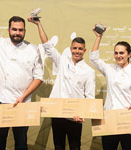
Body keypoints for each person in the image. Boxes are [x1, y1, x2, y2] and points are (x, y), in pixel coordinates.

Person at [28, 17, 95, 150]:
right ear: (70, 49)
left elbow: (90, 97)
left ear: (84, 51)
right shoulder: (63, 61)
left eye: (80, 49)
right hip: (57, 113)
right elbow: (47, 45)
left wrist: (82, 114)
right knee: (58, 146)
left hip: (75, 117)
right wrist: (38, 24)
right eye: (75, 48)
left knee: (75, 147)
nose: (77, 51)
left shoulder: (89, 71)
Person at [89, 24, 131, 150]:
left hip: (130, 121)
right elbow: (93, 59)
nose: (118, 56)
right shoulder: (110, 69)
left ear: (129, 54)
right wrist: (98, 37)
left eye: (122, 53)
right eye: (116, 53)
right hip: (110, 119)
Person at [0, 16, 44, 150]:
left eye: (20, 30)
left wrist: (22, 97)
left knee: (21, 144)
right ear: (8, 30)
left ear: (25, 31)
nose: (17, 33)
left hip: (22, 104)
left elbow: (39, 77)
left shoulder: (33, 49)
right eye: (14, 29)